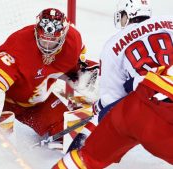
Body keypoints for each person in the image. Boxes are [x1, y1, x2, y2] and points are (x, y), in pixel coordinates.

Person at [53, 0, 173, 168]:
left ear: (128, 15)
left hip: (147, 102)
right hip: (162, 93)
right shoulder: (169, 20)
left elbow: (111, 101)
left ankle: (76, 158)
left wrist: (98, 110)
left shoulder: (113, 45)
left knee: (96, 140)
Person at [0, 8, 98, 137]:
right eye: (43, 40)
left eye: (53, 42)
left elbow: (76, 65)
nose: (47, 46)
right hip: (6, 103)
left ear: (63, 35)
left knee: (70, 132)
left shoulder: (73, 40)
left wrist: (92, 78)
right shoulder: (20, 44)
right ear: (36, 32)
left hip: (39, 103)